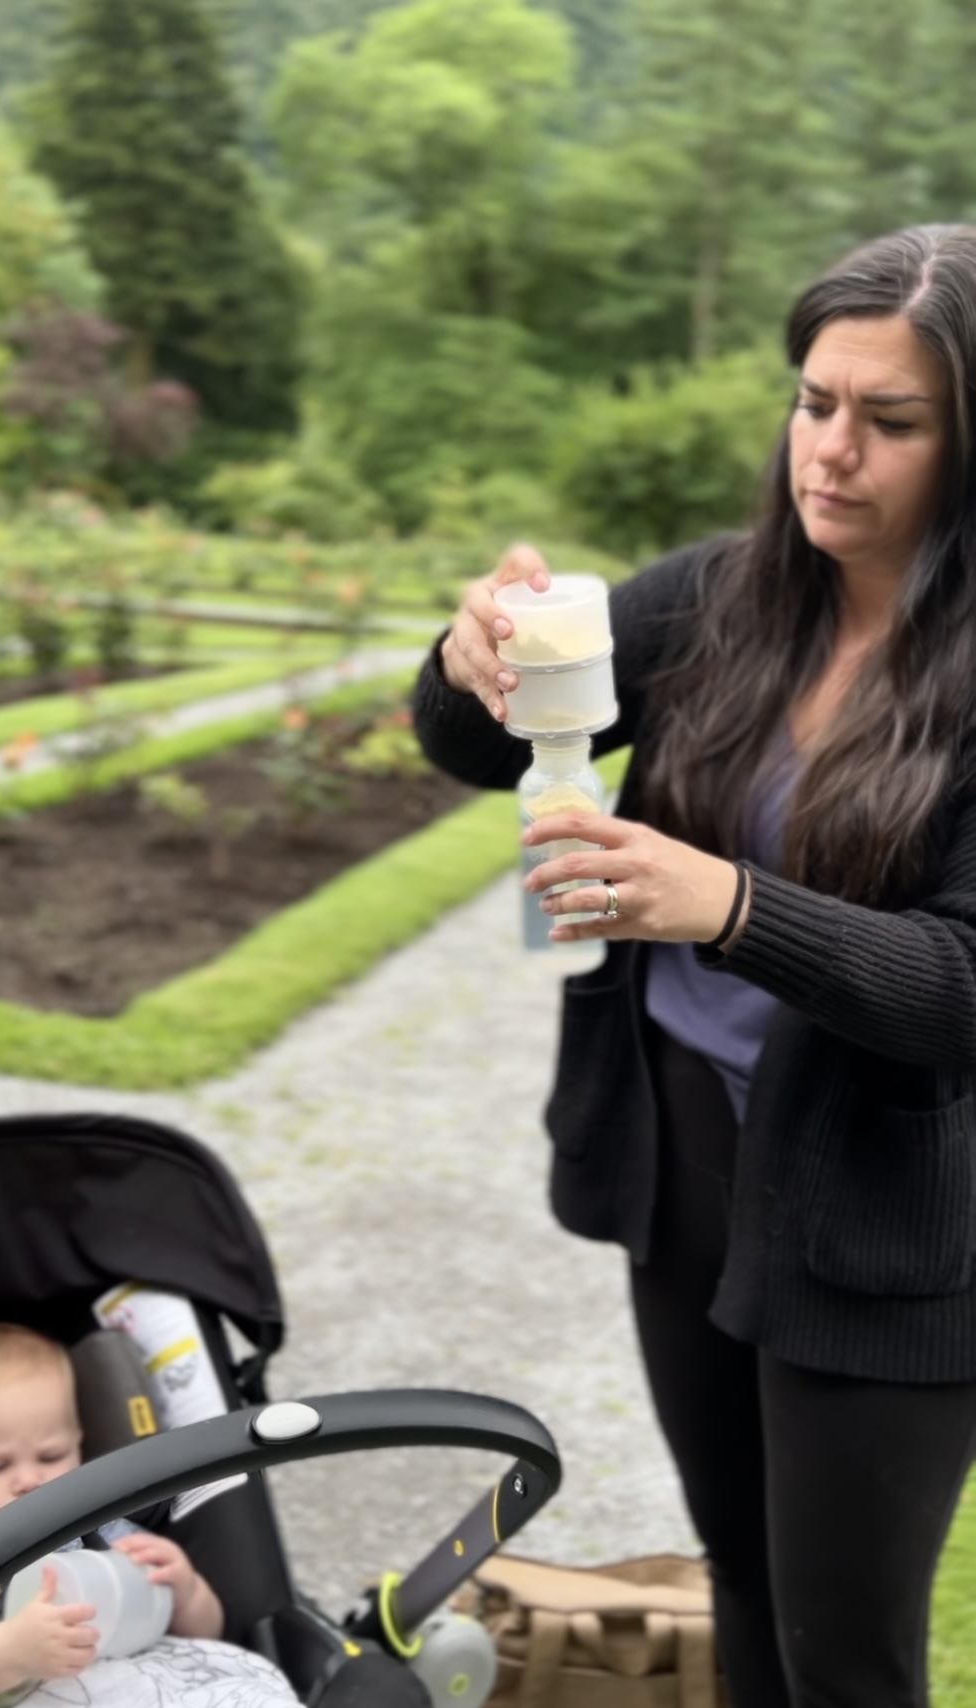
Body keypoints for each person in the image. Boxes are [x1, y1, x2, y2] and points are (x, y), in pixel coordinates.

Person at [412, 223, 976, 1708]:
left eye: (890, 420)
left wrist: (726, 903)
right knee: (734, 1569)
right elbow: (474, 748)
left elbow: (961, 992)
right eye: (813, 402)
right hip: (681, 1163)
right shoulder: (718, 598)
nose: (831, 451)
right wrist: (471, 657)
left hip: (885, 1210)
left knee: (842, 1650)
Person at [0, 1322, 298, 1708]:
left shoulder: (112, 1537)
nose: (29, 1479)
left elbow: (204, 1636)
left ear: (80, 1448)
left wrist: (185, 1592)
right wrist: (13, 1651)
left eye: (51, 1456)